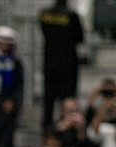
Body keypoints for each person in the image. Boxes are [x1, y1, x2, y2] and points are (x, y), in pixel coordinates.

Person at [40, 0, 84, 129]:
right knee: (68, 101)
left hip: (49, 62)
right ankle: (66, 130)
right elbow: (80, 37)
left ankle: (46, 129)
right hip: (68, 64)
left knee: (49, 100)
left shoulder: (45, 14)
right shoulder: (71, 15)